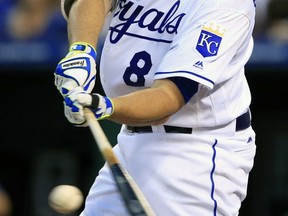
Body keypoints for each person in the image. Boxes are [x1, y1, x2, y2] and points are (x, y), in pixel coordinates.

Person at [54, 0, 257, 215]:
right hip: (132, 140)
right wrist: (81, 50)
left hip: (195, 153)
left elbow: (169, 98)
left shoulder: (226, 5)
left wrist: (105, 106)